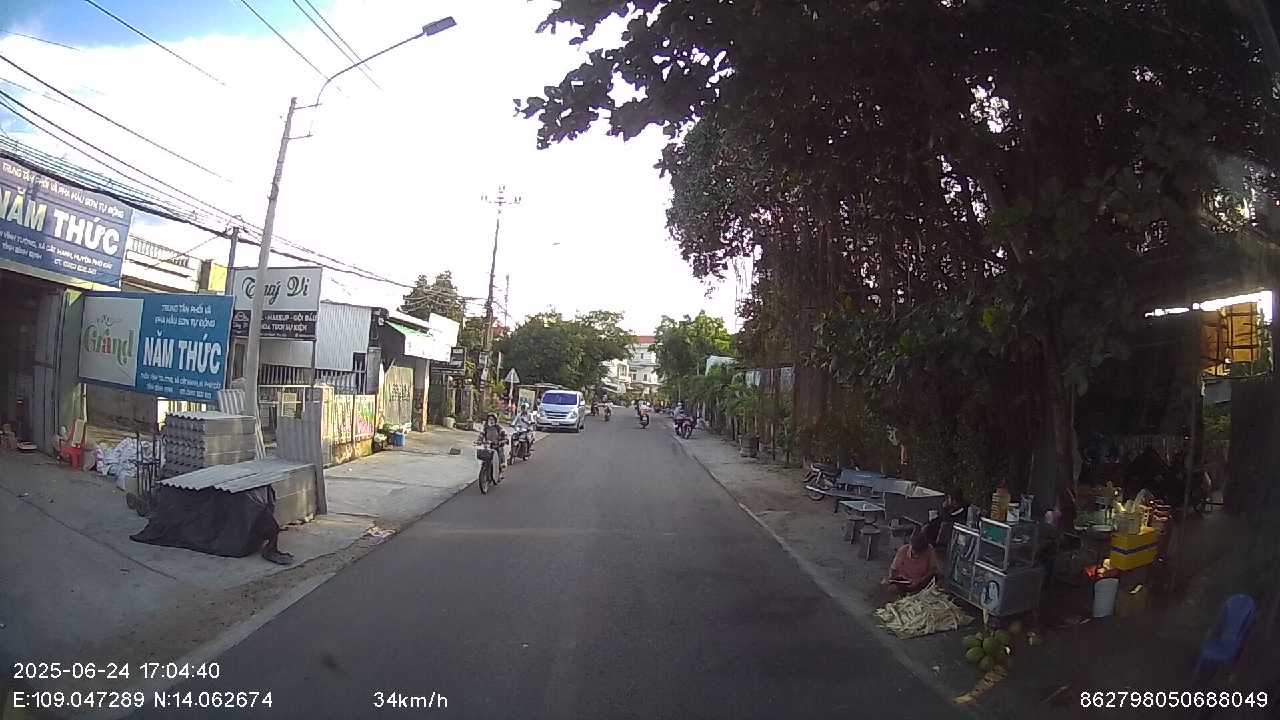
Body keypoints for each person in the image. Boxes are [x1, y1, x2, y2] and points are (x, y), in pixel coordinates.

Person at [882, 530, 939, 595]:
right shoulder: (903, 550)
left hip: (922, 581)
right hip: (905, 581)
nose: (917, 556)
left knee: (935, 585)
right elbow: (894, 569)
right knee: (891, 589)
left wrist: (920, 580)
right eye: (915, 552)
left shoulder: (929, 550)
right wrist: (891, 579)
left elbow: (933, 570)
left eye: (920, 553)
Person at [477, 413, 507, 479]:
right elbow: (481, 435)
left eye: (492, 419)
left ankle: (500, 471)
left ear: (495, 420)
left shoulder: (499, 428)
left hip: (497, 446)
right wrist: (479, 441)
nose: (491, 421)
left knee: (500, 453)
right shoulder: (485, 428)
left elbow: (505, 435)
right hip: (488, 446)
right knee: (484, 455)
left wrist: (503, 441)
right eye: (489, 419)